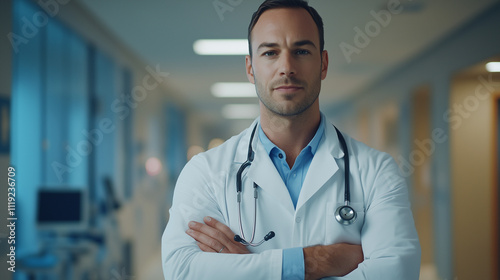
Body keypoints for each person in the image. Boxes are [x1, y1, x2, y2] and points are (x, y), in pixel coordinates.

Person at [161, 0, 421, 279]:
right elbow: (183, 270)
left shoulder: (376, 170)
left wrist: (246, 268)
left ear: (323, 64)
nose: (286, 67)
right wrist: (316, 260)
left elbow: (398, 271)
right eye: (271, 52)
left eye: (301, 50)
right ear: (250, 68)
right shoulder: (206, 172)